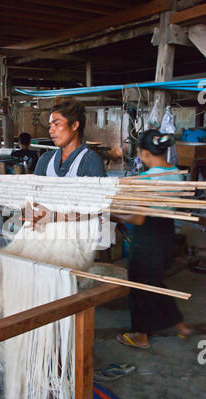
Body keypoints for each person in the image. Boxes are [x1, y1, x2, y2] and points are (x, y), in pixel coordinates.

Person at [113, 129, 192, 350]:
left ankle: (141, 336)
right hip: (166, 236)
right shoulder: (177, 173)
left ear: (143, 153)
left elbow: (138, 218)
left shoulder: (147, 179)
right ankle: (180, 324)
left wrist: (116, 215)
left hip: (147, 240)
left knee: (139, 287)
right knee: (155, 284)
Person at [26, 98, 106, 229]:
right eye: (50, 125)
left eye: (57, 124)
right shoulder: (46, 159)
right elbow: (33, 195)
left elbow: (96, 209)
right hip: (46, 230)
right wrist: (32, 213)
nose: (51, 130)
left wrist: (53, 217)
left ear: (74, 125)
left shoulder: (90, 161)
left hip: (78, 235)